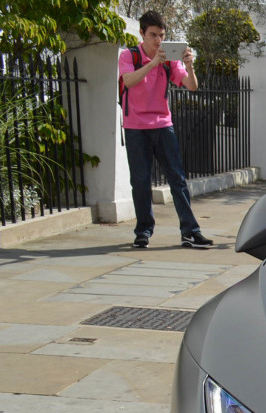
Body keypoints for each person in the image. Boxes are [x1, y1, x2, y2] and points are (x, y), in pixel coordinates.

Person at [119, 10, 212, 249]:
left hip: (162, 125)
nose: (158, 40)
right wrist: (153, 64)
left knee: (177, 179)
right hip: (135, 127)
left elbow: (191, 86)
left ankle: (190, 232)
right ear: (142, 33)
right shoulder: (129, 56)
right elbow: (128, 81)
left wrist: (189, 66)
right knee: (140, 181)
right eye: (153, 35)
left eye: (161, 35)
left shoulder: (170, 60)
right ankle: (143, 232)